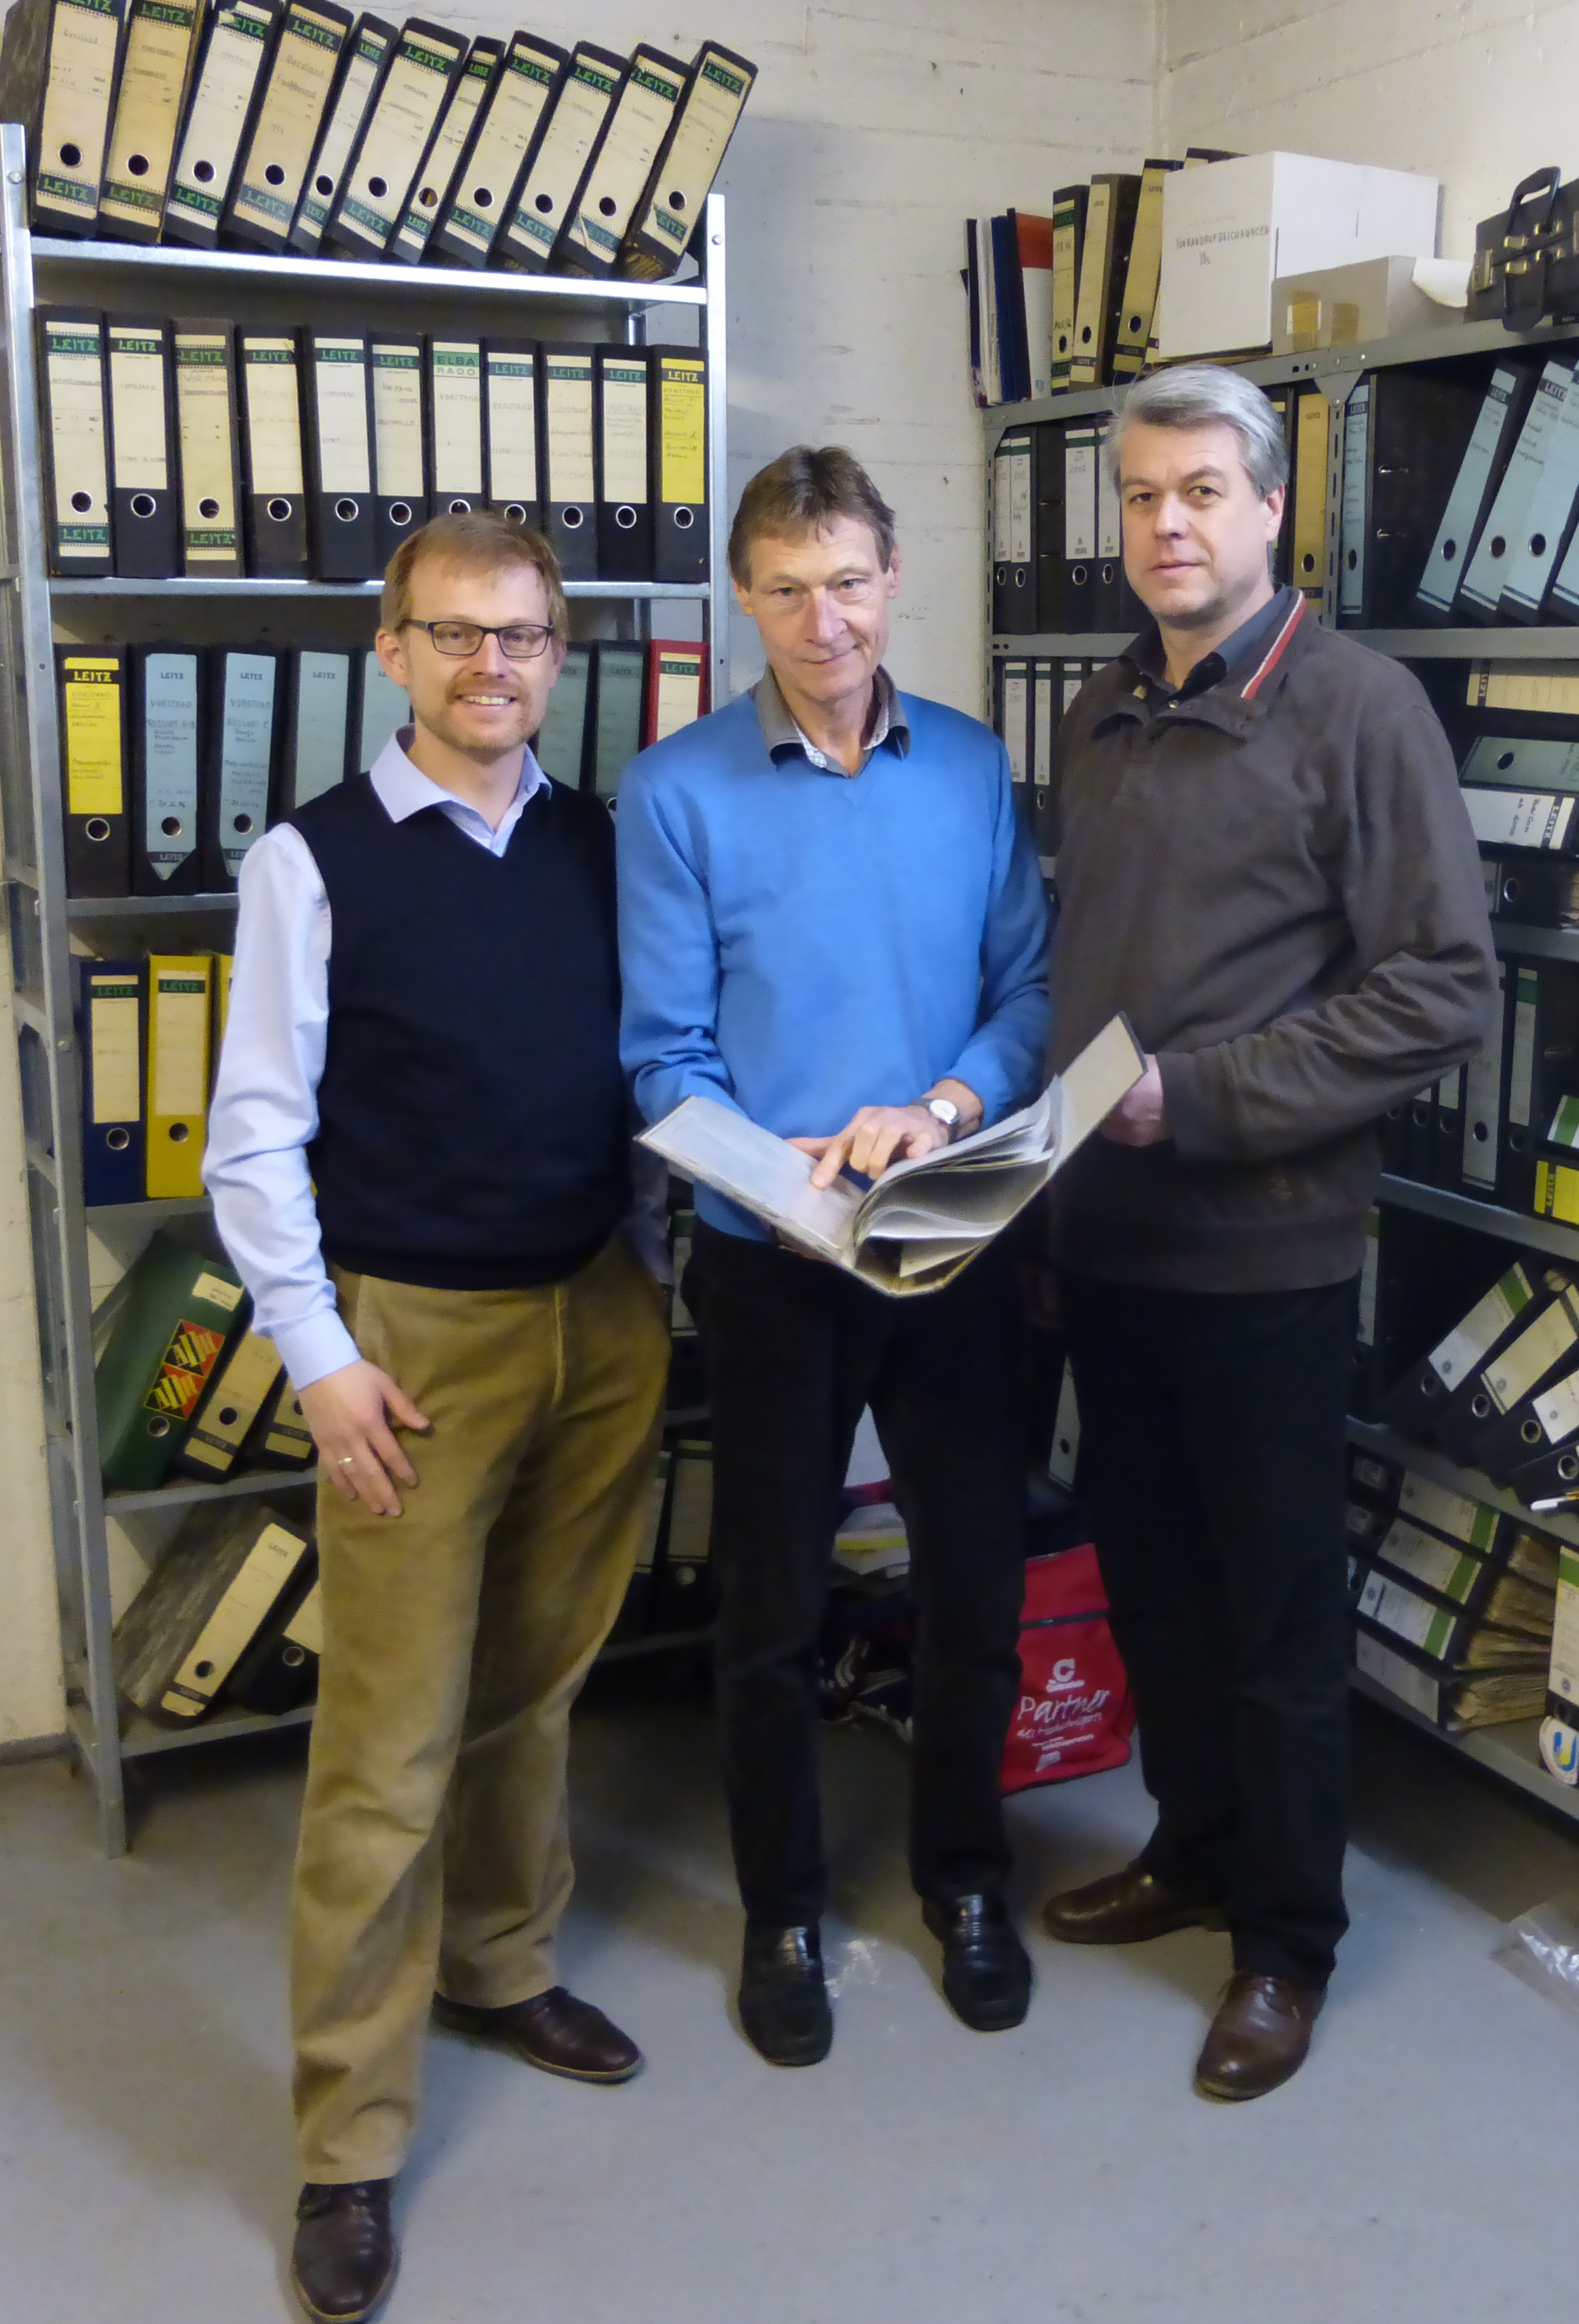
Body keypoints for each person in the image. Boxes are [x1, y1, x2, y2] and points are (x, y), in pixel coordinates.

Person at [206, 512, 670, 2322]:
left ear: (559, 655)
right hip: (410, 1348)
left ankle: (499, 1960)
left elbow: (637, 1078)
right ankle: (348, 2137)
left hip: (595, 1320)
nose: (494, 666)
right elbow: (255, 1136)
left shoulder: (599, 845)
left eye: (524, 636)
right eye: (457, 634)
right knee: (386, 1749)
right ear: (389, 649)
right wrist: (321, 1359)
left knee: (534, 1689)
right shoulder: (310, 864)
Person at [1038, 364, 1495, 2100]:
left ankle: (1286, 1944)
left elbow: (1443, 986)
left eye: (1202, 492)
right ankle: (1196, 1849)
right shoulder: (1103, 706)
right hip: (1109, 1245)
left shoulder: (1361, 710)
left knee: (1276, 1617)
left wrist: (1200, 1100)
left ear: (1272, 508)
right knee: (1155, 1587)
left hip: (1265, 1253)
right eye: (1142, 494)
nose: (1167, 523)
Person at [617, 446, 1050, 2067]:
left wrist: (941, 1108)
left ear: (892, 577)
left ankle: (967, 1880)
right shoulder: (677, 793)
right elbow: (664, 1059)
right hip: (774, 1255)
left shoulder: (972, 768)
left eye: (850, 582)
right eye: (790, 590)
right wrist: (782, 1166)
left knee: (977, 1587)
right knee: (772, 1607)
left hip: (951, 1239)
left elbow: (1026, 996)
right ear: (746, 597)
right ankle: (781, 1908)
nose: (826, 621)